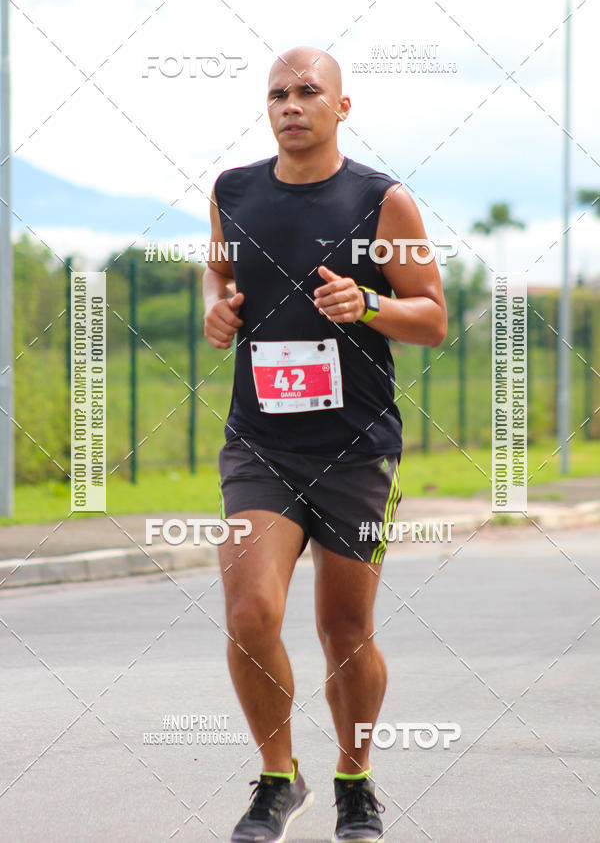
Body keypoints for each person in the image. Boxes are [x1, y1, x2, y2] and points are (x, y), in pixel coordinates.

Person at [203, 45, 447, 843]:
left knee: (346, 631)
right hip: (260, 443)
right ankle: (279, 779)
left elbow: (433, 318)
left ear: (342, 106)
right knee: (249, 610)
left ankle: (355, 780)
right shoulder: (232, 191)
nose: (291, 104)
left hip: (355, 448)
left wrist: (368, 305)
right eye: (278, 93)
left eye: (309, 91)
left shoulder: (383, 201)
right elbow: (218, 272)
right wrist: (218, 307)